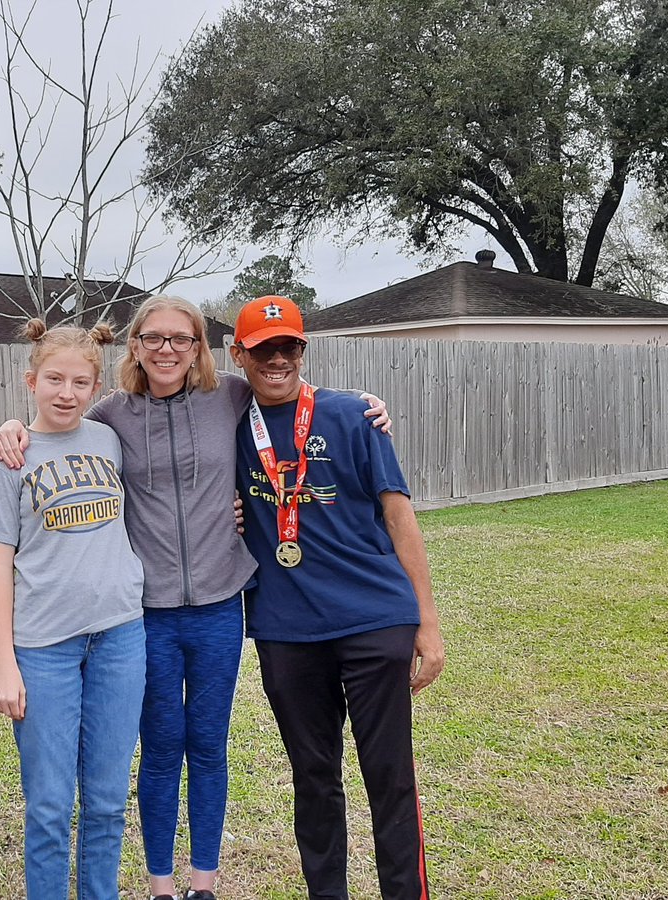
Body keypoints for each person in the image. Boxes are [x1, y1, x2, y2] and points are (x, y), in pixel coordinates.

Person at [0, 295, 389, 900]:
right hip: (143, 613)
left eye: (182, 338)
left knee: (207, 742)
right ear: (136, 346)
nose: (167, 349)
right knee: (159, 747)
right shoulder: (111, 415)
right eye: (153, 338)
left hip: (219, 603)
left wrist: (362, 404)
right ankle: (160, 883)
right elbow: (55, 427)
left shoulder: (228, 396)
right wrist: (5, 425)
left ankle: (204, 880)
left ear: (200, 346)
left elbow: (287, 386)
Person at [229, 295, 445, 900]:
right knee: (314, 778)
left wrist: (426, 623)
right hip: (286, 628)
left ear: (303, 350)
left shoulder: (354, 415)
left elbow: (400, 519)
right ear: (238, 353)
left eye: (289, 346)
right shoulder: (226, 422)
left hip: (374, 619)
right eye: (262, 348)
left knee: (389, 777)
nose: (277, 358)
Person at [0, 319, 147, 900]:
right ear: (31, 380)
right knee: (48, 804)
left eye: (80, 382)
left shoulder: (107, 440)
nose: (66, 393)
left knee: (106, 800)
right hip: (44, 647)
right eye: (54, 379)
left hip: (121, 635)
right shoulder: (10, 455)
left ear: (96, 388)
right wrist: (3, 663)